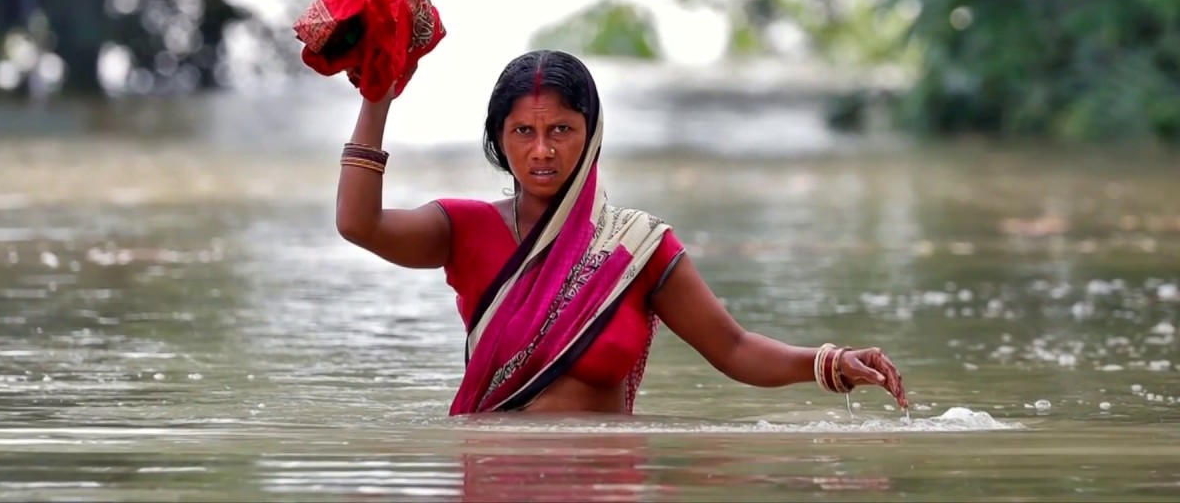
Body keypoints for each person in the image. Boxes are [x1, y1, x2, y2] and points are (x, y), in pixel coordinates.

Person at [335, 49, 909, 416]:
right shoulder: (463, 228)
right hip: (494, 477)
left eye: (561, 128)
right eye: (523, 131)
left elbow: (733, 348)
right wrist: (376, 99)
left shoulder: (638, 248)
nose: (542, 150)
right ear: (498, 139)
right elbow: (359, 224)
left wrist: (829, 362)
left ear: (592, 133)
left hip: (604, 480)